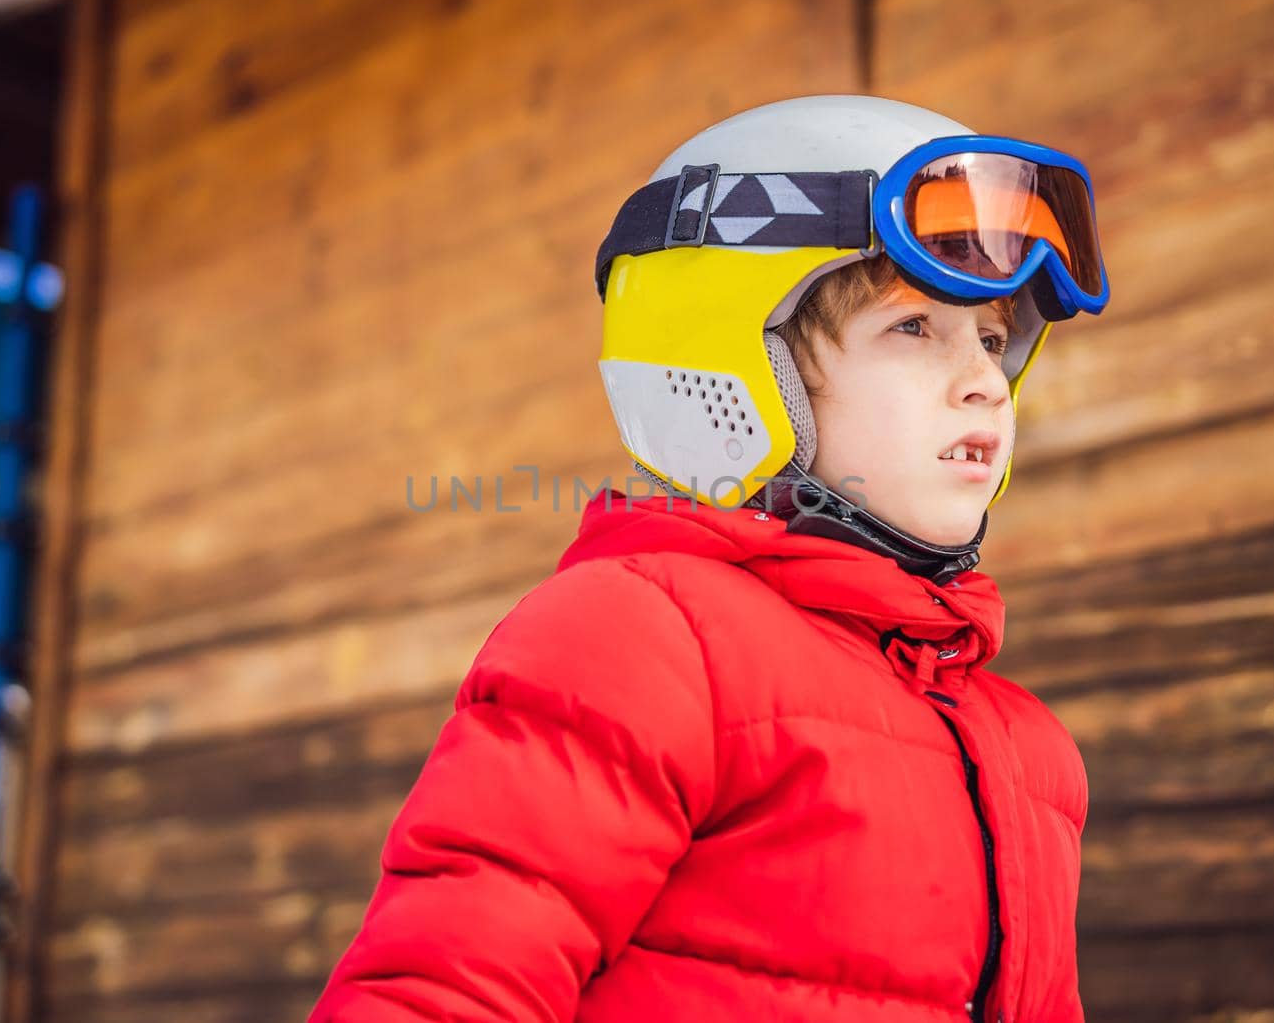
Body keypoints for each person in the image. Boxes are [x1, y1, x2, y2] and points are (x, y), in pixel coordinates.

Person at [309, 95, 1111, 1022]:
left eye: (995, 339)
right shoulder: (639, 638)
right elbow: (443, 991)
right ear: (734, 368)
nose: (984, 383)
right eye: (913, 329)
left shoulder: (1030, 750)